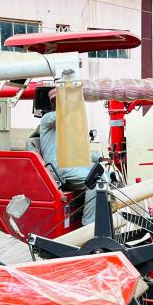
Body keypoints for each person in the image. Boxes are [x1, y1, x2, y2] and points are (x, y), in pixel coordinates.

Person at [39, 88, 103, 226]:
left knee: (104, 175)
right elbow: (62, 115)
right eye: (61, 102)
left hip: (70, 165)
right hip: (59, 169)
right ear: (55, 103)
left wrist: (98, 158)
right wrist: (73, 96)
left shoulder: (66, 127)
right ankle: (89, 225)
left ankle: (103, 217)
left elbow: (78, 150)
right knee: (96, 182)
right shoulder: (47, 120)